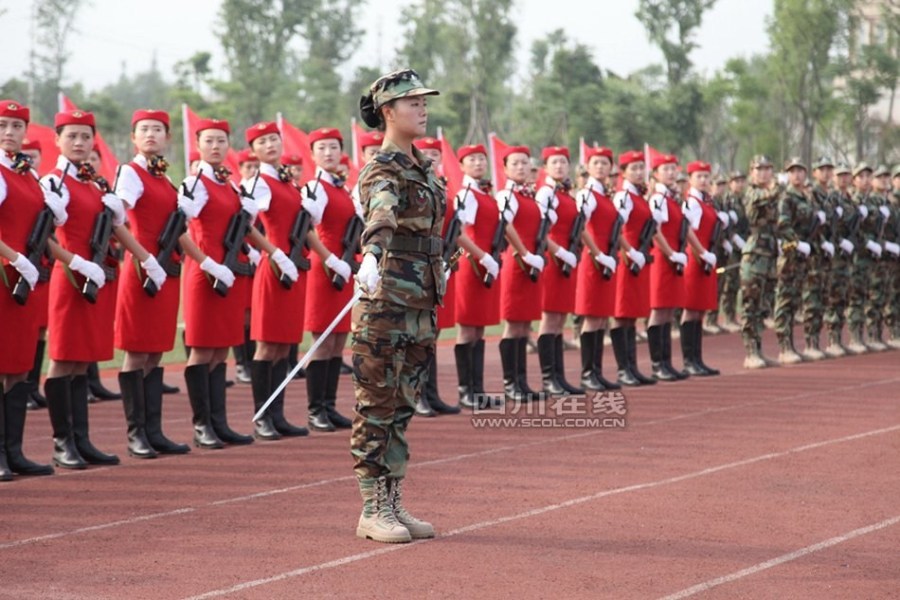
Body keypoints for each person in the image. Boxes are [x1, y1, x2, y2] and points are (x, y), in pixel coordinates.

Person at [42, 109, 165, 468]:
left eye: (85, 136)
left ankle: (81, 438)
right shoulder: (54, 181)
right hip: (71, 277)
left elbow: (116, 228)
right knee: (63, 358)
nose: (79, 143)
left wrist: (145, 258)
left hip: (98, 275)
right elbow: (42, 237)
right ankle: (62, 442)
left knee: (82, 360)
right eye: (72, 136)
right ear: (57, 140)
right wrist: (76, 262)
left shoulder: (95, 181)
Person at [351, 68, 443, 543]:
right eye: (413, 103)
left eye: (424, 102)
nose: (423, 110)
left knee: (404, 405)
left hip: (420, 303)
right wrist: (371, 255)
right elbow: (381, 212)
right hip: (385, 302)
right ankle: (372, 508)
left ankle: (393, 501)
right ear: (388, 112)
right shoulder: (383, 167)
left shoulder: (422, 167)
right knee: (376, 406)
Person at [243, 120, 338, 439]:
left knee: (285, 346)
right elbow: (246, 224)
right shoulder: (258, 182)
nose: (270, 145)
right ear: (253, 150)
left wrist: (329, 258)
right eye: (263, 141)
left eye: (274, 139)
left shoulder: (289, 183)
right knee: (267, 345)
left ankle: (278, 414)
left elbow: (305, 229)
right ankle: (262, 415)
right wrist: (273, 253)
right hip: (275, 268)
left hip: (295, 266)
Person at [178, 117, 260, 449]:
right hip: (205, 273)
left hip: (231, 272)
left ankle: (219, 422)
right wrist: (206, 262)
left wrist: (256, 252)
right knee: (201, 350)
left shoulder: (230, 184)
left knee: (221, 349)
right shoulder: (193, 182)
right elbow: (178, 230)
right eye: (209, 140)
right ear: (198, 145)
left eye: (221, 141)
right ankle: (201, 425)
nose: (215, 146)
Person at [112, 109, 190, 457]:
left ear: (167, 137)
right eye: (144, 129)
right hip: (144, 269)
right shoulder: (131, 173)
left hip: (166, 270)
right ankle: (135, 434)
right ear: (133, 137)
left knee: (156, 350)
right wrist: (144, 259)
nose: (151, 134)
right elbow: (118, 221)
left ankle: (152, 430)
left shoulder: (164, 179)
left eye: (158, 129)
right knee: (137, 350)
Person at [0, 100, 56, 478]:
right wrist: (15, 258)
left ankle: (13, 450)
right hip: (6, 275)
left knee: (19, 366)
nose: (9, 133)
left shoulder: (29, 175)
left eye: (17, 127)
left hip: (27, 277)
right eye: (3, 125)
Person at [302, 127, 356, 431]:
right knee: (322, 341)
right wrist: (329, 258)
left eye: (333, 147)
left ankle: (329, 405)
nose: (328, 153)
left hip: (345, 267)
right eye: (321, 148)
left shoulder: (343, 188)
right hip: (325, 269)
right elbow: (306, 229)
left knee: (338, 341)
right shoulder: (315, 187)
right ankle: (315, 410)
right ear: (313, 154)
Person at [496, 145, 548, 403]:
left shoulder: (531, 196)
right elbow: (504, 225)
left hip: (533, 263)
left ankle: (522, 381)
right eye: (514, 163)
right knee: (514, 323)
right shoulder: (507, 195)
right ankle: (510, 383)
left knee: (526, 324)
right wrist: (525, 253)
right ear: (505, 169)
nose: (520, 167)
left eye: (524, 163)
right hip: (517, 263)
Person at [452, 143, 502, 408]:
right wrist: (482, 256)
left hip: (488, 263)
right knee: (467, 328)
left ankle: (477, 388)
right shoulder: (467, 194)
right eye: (472, 159)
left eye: (482, 158)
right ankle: (465, 390)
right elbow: (458, 233)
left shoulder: (486, 193)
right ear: (462, 165)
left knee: (480, 328)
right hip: (472, 266)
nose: (479, 163)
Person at [413, 136, 459, 416]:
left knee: (434, 331)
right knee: (420, 333)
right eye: (425, 152)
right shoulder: (413, 184)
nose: (430, 156)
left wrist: (450, 261)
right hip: (420, 264)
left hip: (442, 264)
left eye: (435, 153)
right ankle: (416, 395)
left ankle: (431, 393)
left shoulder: (442, 186)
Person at [534, 145, 582, 395]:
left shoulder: (566, 194)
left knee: (561, 318)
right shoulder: (546, 193)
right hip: (554, 260)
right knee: (550, 319)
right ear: (545, 168)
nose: (560, 166)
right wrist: (560, 253)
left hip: (568, 260)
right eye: (555, 162)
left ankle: (559, 376)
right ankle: (548, 378)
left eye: (564, 162)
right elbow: (540, 232)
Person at [574, 146, 621, 391]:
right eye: (596, 163)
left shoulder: (605, 194)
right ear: (588, 166)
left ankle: (597, 370)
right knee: (592, 318)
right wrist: (598, 253)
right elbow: (580, 227)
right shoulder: (588, 194)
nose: (601, 167)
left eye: (605, 163)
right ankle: (587, 372)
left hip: (607, 259)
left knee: (601, 318)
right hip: (594, 262)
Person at [610, 151, 656, 386]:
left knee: (632, 315)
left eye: (641, 167)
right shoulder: (624, 196)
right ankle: (623, 369)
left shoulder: (639, 195)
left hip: (638, 259)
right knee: (622, 314)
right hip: (628, 260)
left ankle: (632, 366)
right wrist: (629, 251)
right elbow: (615, 228)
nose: (639, 172)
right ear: (623, 172)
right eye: (634, 168)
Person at [646, 153, 689, 381]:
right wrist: (670, 253)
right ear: (656, 174)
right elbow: (655, 231)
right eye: (666, 169)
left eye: (673, 169)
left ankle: (666, 361)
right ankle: (657, 364)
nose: (671, 173)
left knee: (669, 309)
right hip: (663, 258)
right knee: (659, 309)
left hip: (675, 257)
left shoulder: (672, 198)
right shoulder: (658, 199)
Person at [19, 137, 51, 411]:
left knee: (38, 331)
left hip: (40, 265)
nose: (29, 160)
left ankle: (31, 386)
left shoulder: (39, 183)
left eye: (34, 155)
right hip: (18, 264)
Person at [681, 161, 722, 376]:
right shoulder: (692, 202)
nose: (704, 180)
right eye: (699, 176)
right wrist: (701, 254)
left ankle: (697, 358)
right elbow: (688, 232)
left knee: (700, 310)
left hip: (707, 257)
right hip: (695, 258)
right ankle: (689, 359)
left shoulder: (706, 201)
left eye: (707, 176)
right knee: (691, 308)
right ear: (690, 179)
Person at [740, 155, 781, 369]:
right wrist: (776, 187)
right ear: (752, 172)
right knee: (751, 305)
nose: (764, 173)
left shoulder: (772, 194)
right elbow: (765, 198)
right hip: (755, 255)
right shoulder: (752, 192)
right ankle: (750, 352)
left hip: (770, 254)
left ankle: (759, 349)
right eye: (759, 169)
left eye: (767, 168)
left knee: (764, 306)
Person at [773, 157, 815, 365]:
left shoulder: (804, 197)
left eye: (800, 171)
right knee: (785, 300)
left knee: (794, 301)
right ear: (788, 174)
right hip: (790, 254)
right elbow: (783, 224)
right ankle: (784, 346)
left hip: (801, 257)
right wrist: (798, 243)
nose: (797, 174)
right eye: (793, 171)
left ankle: (791, 344)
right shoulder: (787, 198)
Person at [846, 163, 884, 353]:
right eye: (861, 176)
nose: (866, 180)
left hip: (870, 256)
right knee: (856, 296)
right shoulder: (854, 200)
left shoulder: (872, 201)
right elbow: (852, 230)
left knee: (868, 294)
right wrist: (867, 242)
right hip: (858, 255)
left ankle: (868, 335)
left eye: (869, 176)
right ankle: (854, 336)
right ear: (854, 180)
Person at [803, 157, 838, 360]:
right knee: (812, 298)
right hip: (814, 253)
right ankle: (810, 342)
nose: (826, 173)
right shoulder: (811, 194)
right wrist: (821, 241)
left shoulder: (829, 195)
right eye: (822, 169)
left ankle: (817, 341)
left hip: (826, 253)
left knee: (823, 297)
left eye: (828, 169)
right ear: (815, 173)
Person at [823, 163, 857, 356]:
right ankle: (832, 339)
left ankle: (839, 338)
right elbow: (829, 226)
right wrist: (839, 242)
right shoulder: (832, 198)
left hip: (847, 255)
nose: (844, 179)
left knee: (843, 296)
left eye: (846, 175)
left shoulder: (849, 199)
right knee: (834, 295)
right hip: (836, 254)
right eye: (840, 175)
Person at [718, 171, 748, 333]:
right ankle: (727, 316)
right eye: (736, 181)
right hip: (732, 245)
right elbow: (723, 224)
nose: (739, 184)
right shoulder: (727, 200)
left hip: (744, 244)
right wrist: (732, 238)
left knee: (738, 281)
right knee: (730, 282)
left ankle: (733, 316)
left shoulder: (744, 199)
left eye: (742, 180)